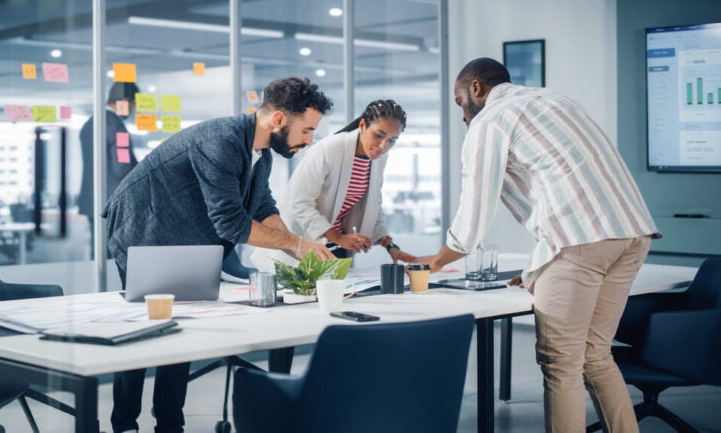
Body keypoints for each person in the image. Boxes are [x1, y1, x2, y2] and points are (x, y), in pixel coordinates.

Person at [415, 58, 660, 432]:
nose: (462, 113)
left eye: (458, 101)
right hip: (631, 233)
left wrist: (438, 260)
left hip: (581, 242)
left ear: (476, 88)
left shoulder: (490, 121)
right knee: (595, 356)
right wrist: (541, 267)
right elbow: (566, 187)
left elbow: (475, 208)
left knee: (561, 364)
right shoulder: (556, 101)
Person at [103, 76, 335, 433]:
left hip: (184, 237)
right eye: (306, 131)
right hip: (143, 229)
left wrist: (300, 246)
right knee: (144, 330)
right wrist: (296, 245)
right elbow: (231, 223)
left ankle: (169, 424)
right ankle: (124, 424)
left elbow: (261, 206)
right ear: (278, 121)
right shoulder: (223, 140)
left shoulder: (260, 153)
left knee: (181, 330)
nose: (309, 141)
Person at [252, 99, 420, 270]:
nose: (383, 146)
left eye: (392, 140)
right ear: (362, 125)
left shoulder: (379, 158)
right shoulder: (330, 148)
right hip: (300, 244)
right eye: (378, 135)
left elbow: (374, 203)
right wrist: (338, 238)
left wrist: (390, 246)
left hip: (334, 248)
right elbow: (300, 203)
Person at [79, 82, 138, 258]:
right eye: (134, 106)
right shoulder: (116, 127)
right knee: (116, 254)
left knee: (98, 253)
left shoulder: (90, 123)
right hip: (115, 204)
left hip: (93, 201)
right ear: (125, 101)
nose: (133, 111)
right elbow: (122, 166)